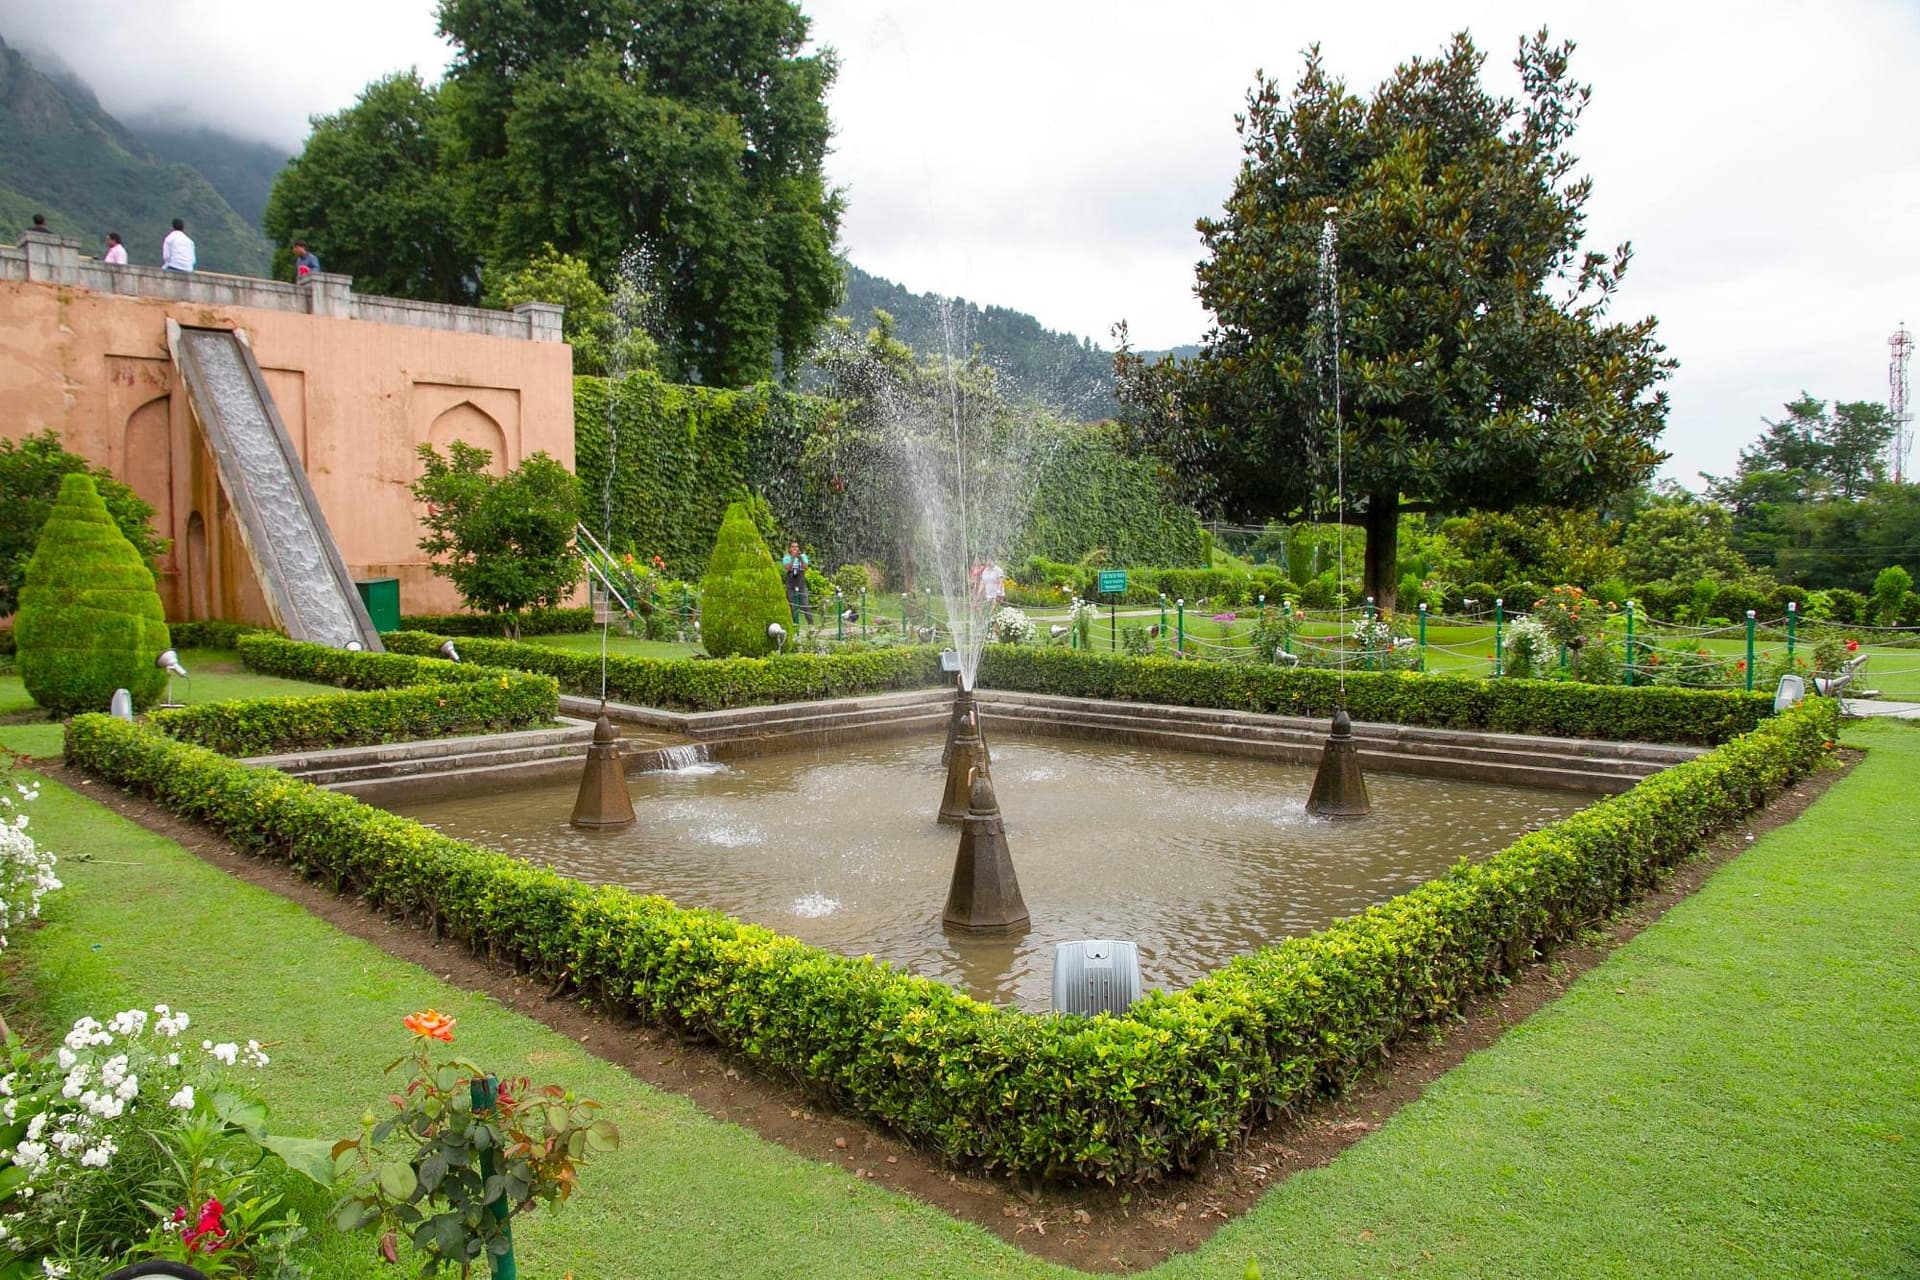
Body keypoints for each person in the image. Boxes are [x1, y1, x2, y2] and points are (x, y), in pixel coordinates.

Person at [780, 540, 813, 624]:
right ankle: (795, 624)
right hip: (791, 582)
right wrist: (792, 558)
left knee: (805, 604)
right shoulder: (786, 557)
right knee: (792, 605)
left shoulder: (803, 556)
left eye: (796, 547)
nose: (795, 548)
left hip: (801, 582)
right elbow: (787, 568)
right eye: (793, 547)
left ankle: (811, 624)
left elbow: (805, 567)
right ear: (789, 549)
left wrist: (800, 558)